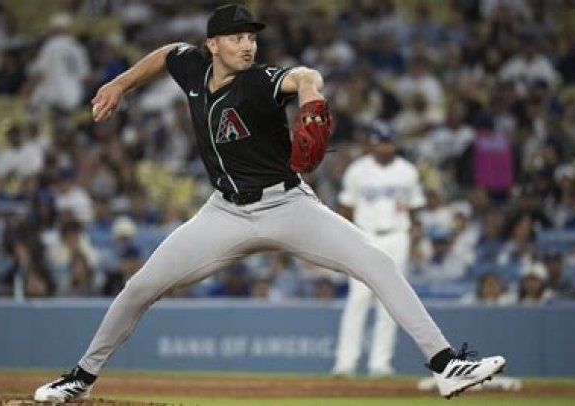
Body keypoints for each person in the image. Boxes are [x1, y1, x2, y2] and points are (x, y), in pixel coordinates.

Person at [34, 4, 505, 402]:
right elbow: (165, 53)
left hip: (287, 206)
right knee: (140, 287)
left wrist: (311, 95)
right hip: (224, 212)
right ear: (212, 45)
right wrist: (120, 84)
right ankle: (81, 378)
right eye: (236, 38)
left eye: (251, 38)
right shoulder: (192, 67)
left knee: (377, 263)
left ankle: (446, 365)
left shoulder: (260, 81)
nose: (247, 45)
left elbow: (303, 76)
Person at [331, 122, 426, 377]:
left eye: (388, 142)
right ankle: (345, 363)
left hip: (397, 236)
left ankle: (380, 364)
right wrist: (345, 243)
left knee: (391, 302)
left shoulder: (407, 171)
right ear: (372, 143)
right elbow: (346, 210)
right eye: (380, 142)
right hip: (365, 236)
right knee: (358, 300)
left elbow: (415, 211)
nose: (384, 146)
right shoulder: (357, 171)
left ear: (394, 143)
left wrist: (415, 241)